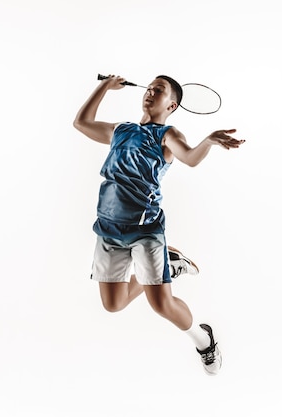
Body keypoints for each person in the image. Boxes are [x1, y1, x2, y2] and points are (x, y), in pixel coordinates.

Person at [73, 74, 245, 375]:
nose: (150, 93)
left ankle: (204, 341)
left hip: (145, 231)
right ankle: (169, 262)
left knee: (161, 305)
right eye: (150, 88)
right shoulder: (121, 130)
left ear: (172, 104)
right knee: (113, 304)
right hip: (108, 229)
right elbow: (82, 123)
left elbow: (190, 158)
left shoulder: (167, 135)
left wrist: (208, 141)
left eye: (159, 90)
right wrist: (104, 87)